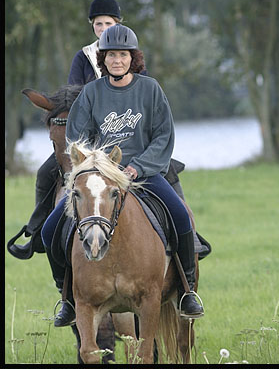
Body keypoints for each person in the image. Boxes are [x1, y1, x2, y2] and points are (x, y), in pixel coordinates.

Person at [41, 24, 204, 326]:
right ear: (103, 59)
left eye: (123, 55)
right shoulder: (91, 93)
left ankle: (186, 290)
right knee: (50, 230)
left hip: (143, 174)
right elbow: (77, 137)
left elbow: (163, 136)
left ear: (133, 58)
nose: (117, 60)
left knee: (181, 217)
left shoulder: (150, 89)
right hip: (101, 177)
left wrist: (138, 166)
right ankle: (65, 299)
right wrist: (98, 166)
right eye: (111, 55)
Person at [10, 0, 126, 261]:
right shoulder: (83, 57)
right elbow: (75, 95)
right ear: (92, 26)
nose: (104, 28)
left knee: (166, 171)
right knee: (45, 173)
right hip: (86, 139)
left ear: (118, 24)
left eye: (109, 22)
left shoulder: (127, 53)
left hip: (122, 137)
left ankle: (189, 238)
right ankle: (36, 232)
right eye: (99, 24)